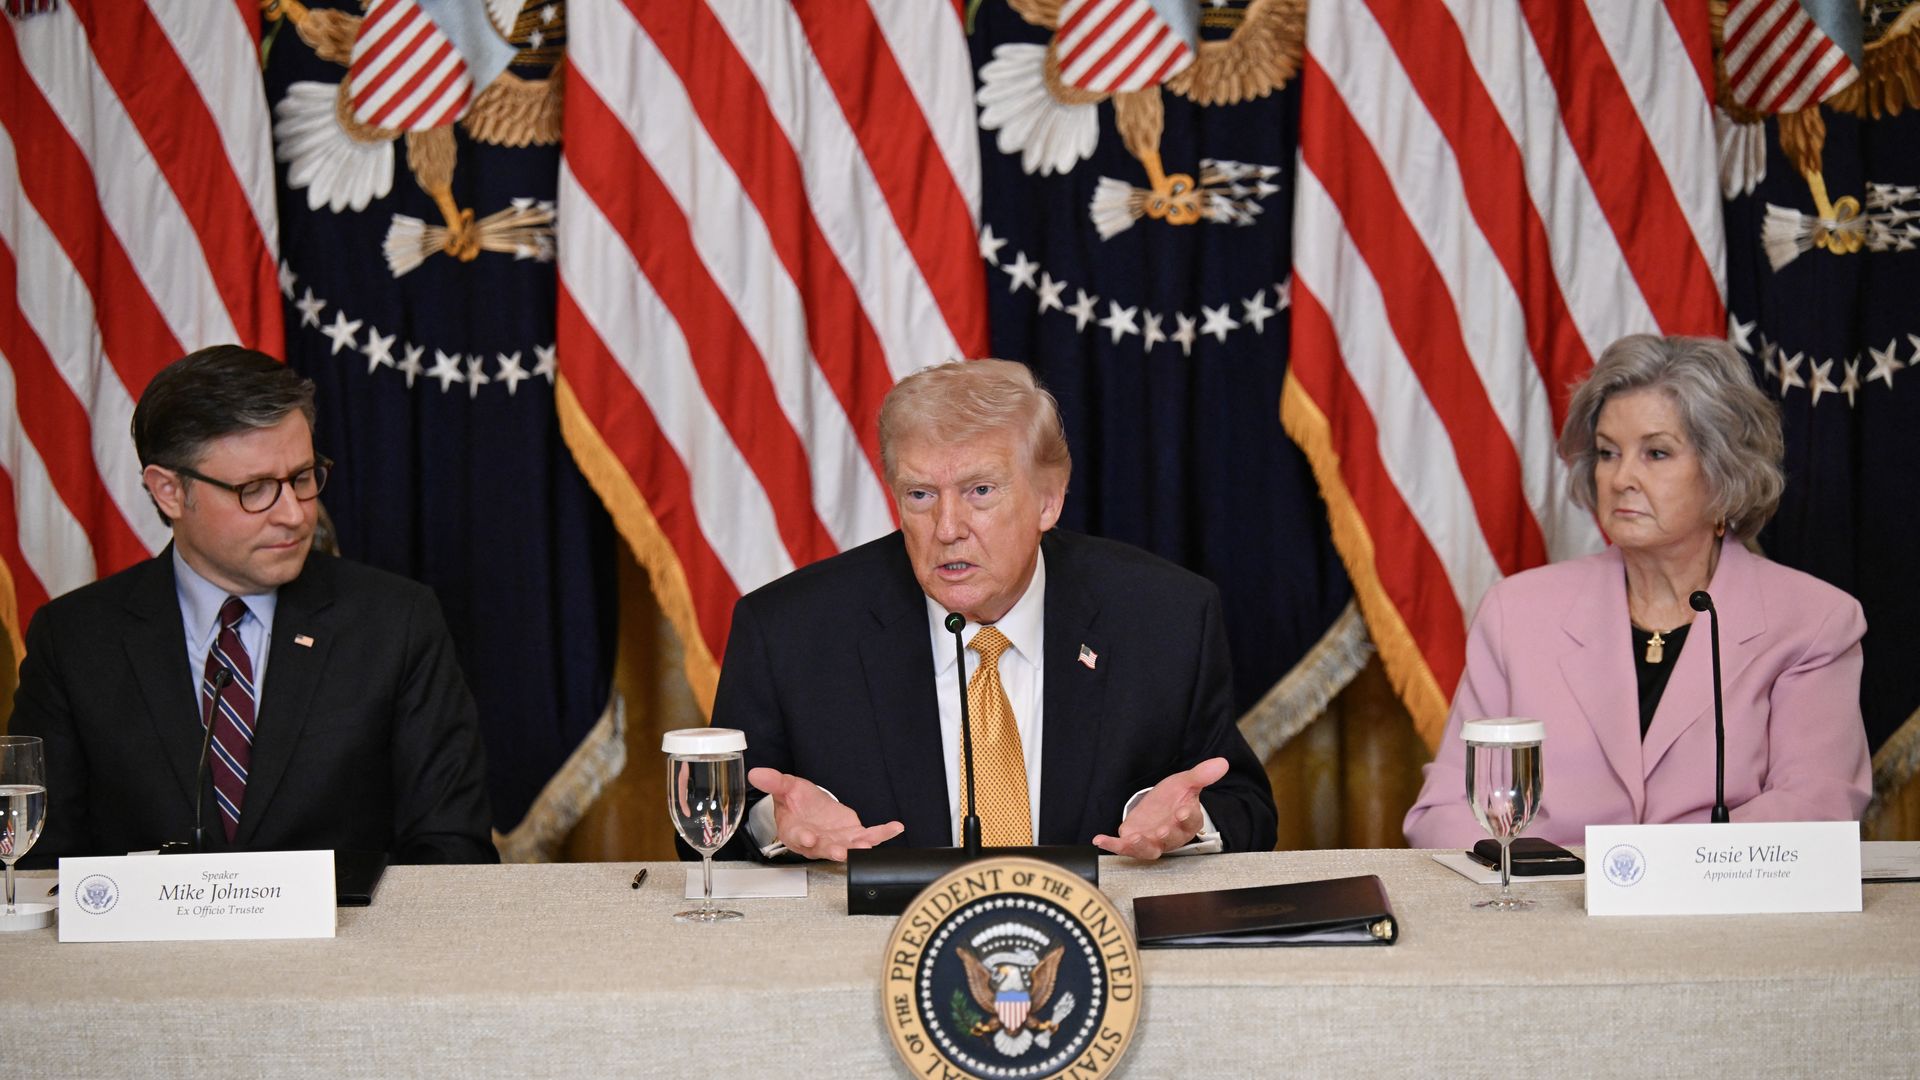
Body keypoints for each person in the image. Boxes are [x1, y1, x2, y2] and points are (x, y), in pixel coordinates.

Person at [714, 359, 1277, 861]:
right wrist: (774, 823)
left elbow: (1245, 808)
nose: (948, 528)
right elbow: (713, 825)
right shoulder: (789, 632)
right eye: (920, 495)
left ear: (1048, 500)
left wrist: (1187, 823)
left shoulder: (1163, 618)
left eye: (980, 490)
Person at [12, 346, 497, 865]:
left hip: (350, 945)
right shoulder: (75, 640)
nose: (293, 514)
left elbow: (452, 852)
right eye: (256, 489)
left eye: (304, 478)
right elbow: (38, 862)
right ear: (170, 491)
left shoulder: (396, 623)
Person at [1403, 335, 1870, 848]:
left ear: (1724, 472)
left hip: (1727, 917)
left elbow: (1815, 809)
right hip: (1551, 913)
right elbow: (1447, 810)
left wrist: (1647, 876)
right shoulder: (1517, 613)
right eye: (1607, 453)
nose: (1621, 477)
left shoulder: (1813, 621)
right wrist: (1560, 882)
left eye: (1656, 453)